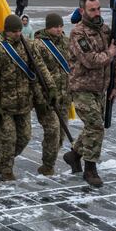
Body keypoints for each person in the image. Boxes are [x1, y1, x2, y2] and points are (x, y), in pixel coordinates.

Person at [64, 0, 116, 187]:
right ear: (82, 11)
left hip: (101, 88)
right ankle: (90, 168)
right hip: (82, 87)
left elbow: (115, 60)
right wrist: (110, 53)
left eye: (98, 8)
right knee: (96, 125)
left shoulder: (105, 30)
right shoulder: (78, 33)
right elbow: (91, 60)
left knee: (93, 126)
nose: (97, 13)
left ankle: (74, 155)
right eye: (92, 10)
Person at [0, 15, 53, 181]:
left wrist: (50, 87)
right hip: (5, 103)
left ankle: (1, 161)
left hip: (24, 102)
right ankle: (7, 170)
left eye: (19, 31)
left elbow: (40, 68)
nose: (17, 34)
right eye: (14, 31)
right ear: (6, 31)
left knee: (24, 137)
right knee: (9, 139)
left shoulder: (28, 46)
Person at [33, 13, 71, 176]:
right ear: (48, 27)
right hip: (47, 97)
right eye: (56, 26)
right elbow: (38, 70)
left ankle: (50, 160)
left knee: (61, 133)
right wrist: (44, 93)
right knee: (53, 130)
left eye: (61, 26)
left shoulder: (67, 42)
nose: (59, 29)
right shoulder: (39, 45)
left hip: (65, 96)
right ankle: (47, 165)